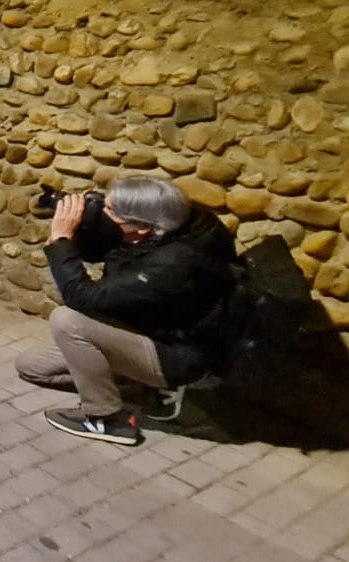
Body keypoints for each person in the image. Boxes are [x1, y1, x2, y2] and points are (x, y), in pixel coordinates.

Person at [15, 177, 238, 445]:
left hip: (174, 354)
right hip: (141, 329)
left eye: (109, 211)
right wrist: (85, 221)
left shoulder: (173, 263)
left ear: (142, 227)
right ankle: (131, 382)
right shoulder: (167, 222)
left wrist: (62, 239)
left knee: (67, 320)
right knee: (31, 367)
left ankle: (104, 418)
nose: (104, 214)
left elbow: (84, 299)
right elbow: (107, 251)